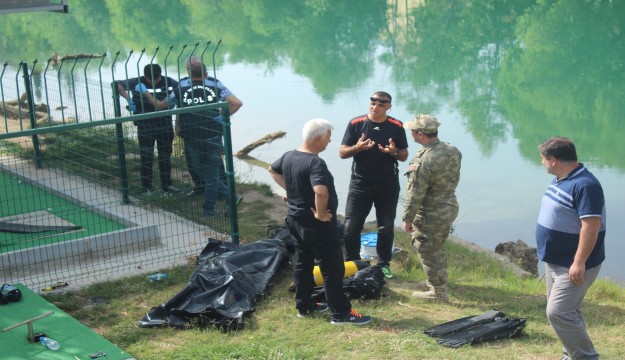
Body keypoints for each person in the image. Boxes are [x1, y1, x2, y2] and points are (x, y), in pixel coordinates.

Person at [269, 118, 371, 325]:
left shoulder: (290, 156)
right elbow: (320, 191)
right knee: (333, 269)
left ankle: (304, 306)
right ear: (317, 138)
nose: (328, 142)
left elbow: (273, 170)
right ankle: (341, 314)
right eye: (327, 138)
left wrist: (291, 191)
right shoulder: (315, 162)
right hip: (317, 226)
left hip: (295, 221)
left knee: (303, 264)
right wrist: (321, 214)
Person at [536, 137, 605, 360]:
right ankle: (572, 355)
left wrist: (578, 262)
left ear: (554, 160)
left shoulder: (585, 185)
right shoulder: (562, 179)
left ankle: (586, 357)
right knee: (570, 311)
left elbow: (591, 225)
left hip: (572, 264)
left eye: (543, 159)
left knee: (559, 312)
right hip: (556, 260)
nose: (542, 163)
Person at [339, 91, 408, 279]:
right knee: (351, 226)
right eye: (373, 102)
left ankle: (383, 264)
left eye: (381, 104)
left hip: (387, 183)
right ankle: (353, 263)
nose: (375, 106)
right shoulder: (356, 123)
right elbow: (342, 153)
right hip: (360, 182)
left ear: (389, 106)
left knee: (385, 226)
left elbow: (403, 155)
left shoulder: (396, 126)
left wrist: (393, 152)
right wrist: (358, 148)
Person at [172, 57, 243, 216]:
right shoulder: (215, 84)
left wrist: (146, 96)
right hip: (213, 135)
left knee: (203, 171)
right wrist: (224, 116)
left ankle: (219, 203)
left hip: (192, 136)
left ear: (189, 73)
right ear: (205, 74)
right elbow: (237, 103)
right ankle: (213, 206)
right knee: (212, 172)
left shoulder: (180, 86)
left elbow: (166, 105)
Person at [401, 114, 461, 302]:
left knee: (427, 248)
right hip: (449, 205)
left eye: (412, 130)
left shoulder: (425, 160)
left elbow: (415, 192)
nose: (410, 132)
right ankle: (434, 281)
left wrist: (408, 218)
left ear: (419, 134)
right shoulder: (452, 150)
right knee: (437, 247)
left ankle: (438, 293)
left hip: (431, 212)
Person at [116, 64, 179, 193]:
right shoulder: (137, 82)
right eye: (151, 80)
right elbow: (116, 84)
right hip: (145, 126)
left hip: (165, 125)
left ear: (160, 75)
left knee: (165, 156)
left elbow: (181, 89)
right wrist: (129, 99)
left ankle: (167, 185)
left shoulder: (169, 82)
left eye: (156, 79)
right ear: (145, 76)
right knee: (146, 157)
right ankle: (147, 187)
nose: (154, 82)